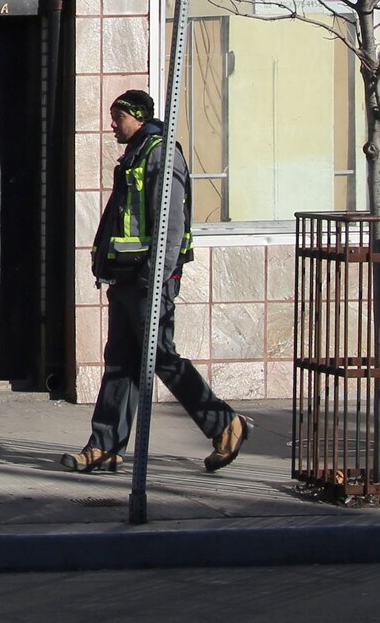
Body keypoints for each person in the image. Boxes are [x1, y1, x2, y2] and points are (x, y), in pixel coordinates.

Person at [62, 89, 250, 474]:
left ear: (137, 117)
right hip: (127, 278)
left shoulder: (161, 154)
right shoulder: (135, 155)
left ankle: (225, 424)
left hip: (149, 280)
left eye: (118, 118)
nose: (112, 125)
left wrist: (155, 276)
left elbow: (172, 226)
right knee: (120, 363)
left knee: (160, 357)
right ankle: (105, 446)